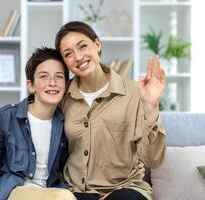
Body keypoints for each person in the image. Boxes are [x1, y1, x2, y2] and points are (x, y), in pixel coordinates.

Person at [54, 21, 166, 200]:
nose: (78, 56)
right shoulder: (61, 98)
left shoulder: (134, 93)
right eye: (68, 54)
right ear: (65, 62)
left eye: (82, 46)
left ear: (97, 44)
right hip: (78, 192)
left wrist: (151, 107)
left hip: (125, 188)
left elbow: (153, 160)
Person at [0, 47, 77, 200]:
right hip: (12, 191)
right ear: (31, 85)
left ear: (65, 86)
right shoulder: (8, 117)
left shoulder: (66, 123)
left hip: (48, 193)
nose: (52, 82)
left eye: (58, 77)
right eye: (43, 76)